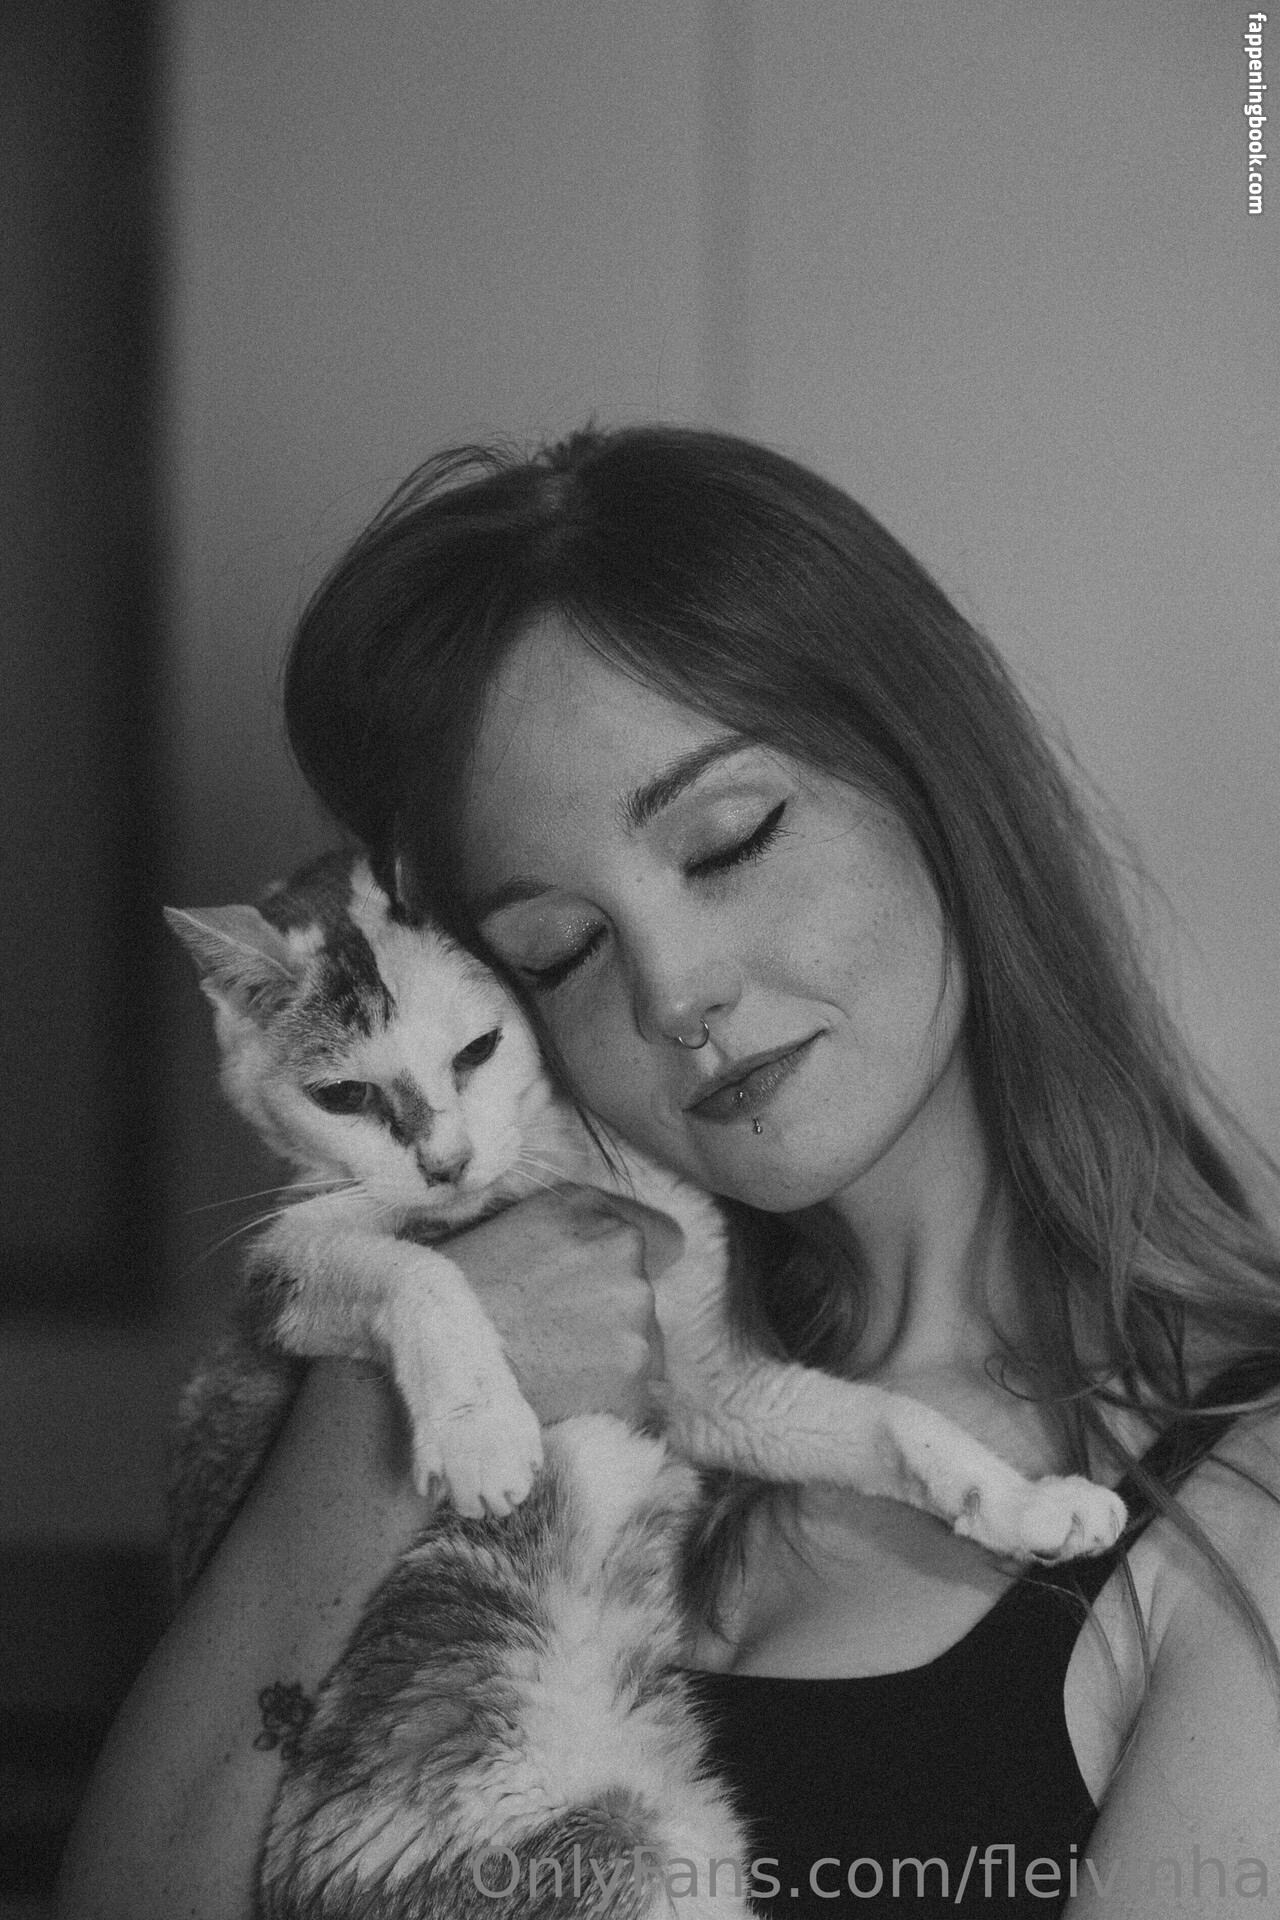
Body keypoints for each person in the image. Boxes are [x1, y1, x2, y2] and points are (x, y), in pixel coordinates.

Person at [59, 426, 1280, 1917]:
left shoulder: (1246, 1498)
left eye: (730, 840)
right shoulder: (494, 1374)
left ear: (937, 775)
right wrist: (366, 1425)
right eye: (560, 947)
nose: (673, 990)